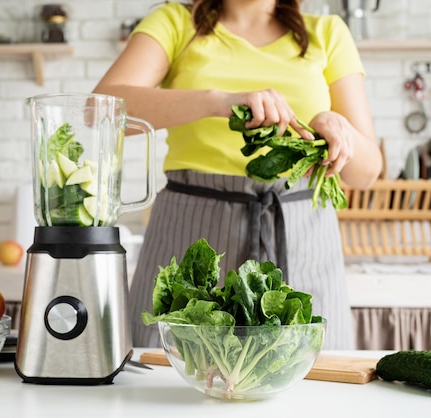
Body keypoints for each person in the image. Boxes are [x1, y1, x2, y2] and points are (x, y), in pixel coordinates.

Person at [92, 0, 382, 350]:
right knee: (170, 373)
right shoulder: (174, 23)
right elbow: (101, 109)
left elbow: (366, 172)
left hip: (301, 235)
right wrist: (216, 101)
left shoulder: (327, 33)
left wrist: (340, 130)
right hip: (193, 231)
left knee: (314, 381)